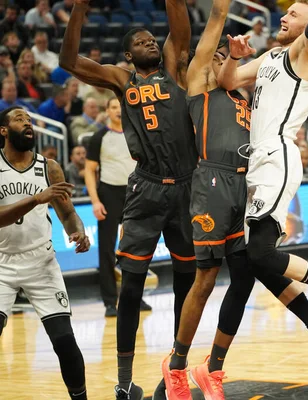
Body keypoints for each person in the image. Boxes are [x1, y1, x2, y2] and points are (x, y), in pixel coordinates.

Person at [218, 0, 308, 388]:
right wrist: (233, 57)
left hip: (278, 156)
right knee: (258, 263)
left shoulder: (305, 49)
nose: (283, 18)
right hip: (258, 164)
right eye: (284, 14)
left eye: (292, 15)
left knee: (262, 254)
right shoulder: (271, 55)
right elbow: (228, 82)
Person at [60, 0, 199, 398]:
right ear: (128, 54)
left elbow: (179, 23)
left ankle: (176, 372)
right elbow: (69, 60)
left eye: (152, 39)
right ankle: (124, 382)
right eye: (140, 41)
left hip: (187, 188)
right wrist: (80, 12)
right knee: (131, 289)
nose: (150, 43)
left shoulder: (174, 67)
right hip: (147, 188)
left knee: (185, 287)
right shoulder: (122, 80)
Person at [0, 106, 90, 400]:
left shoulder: (48, 167)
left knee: (64, 341)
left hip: (41, 261)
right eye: (18, 119)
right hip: (2, 264)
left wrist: (77, 231)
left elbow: (67, 213)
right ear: (3, 130)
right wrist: (36, 198)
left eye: (29, 119)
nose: (27, 123)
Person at [84, 97, 140, 318]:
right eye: (114, 107)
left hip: (135, 193)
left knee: (136, 249)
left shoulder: (135, 132)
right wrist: (95, 200)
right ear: (106, 111)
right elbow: (89, 170)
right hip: (109, 194)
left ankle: (135, 296)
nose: (118, 111)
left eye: (121, 107)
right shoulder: (99, 137)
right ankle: (109, 301)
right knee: (107, 250)